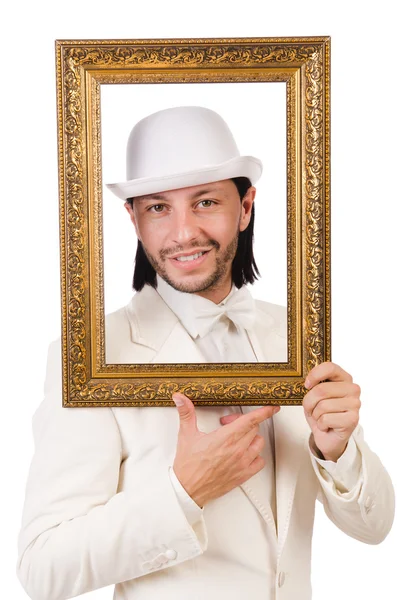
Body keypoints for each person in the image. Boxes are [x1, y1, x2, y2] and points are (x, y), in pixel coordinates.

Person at [17, 106, 394, 600]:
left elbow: (375, 529)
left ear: (245, 206)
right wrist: (183, 492)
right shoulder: (93, 355)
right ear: (133, 218)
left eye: (206, 201)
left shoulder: (297, 333)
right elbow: (43, 566)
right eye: (157, 207)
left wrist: (339, 450)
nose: (182, 233)